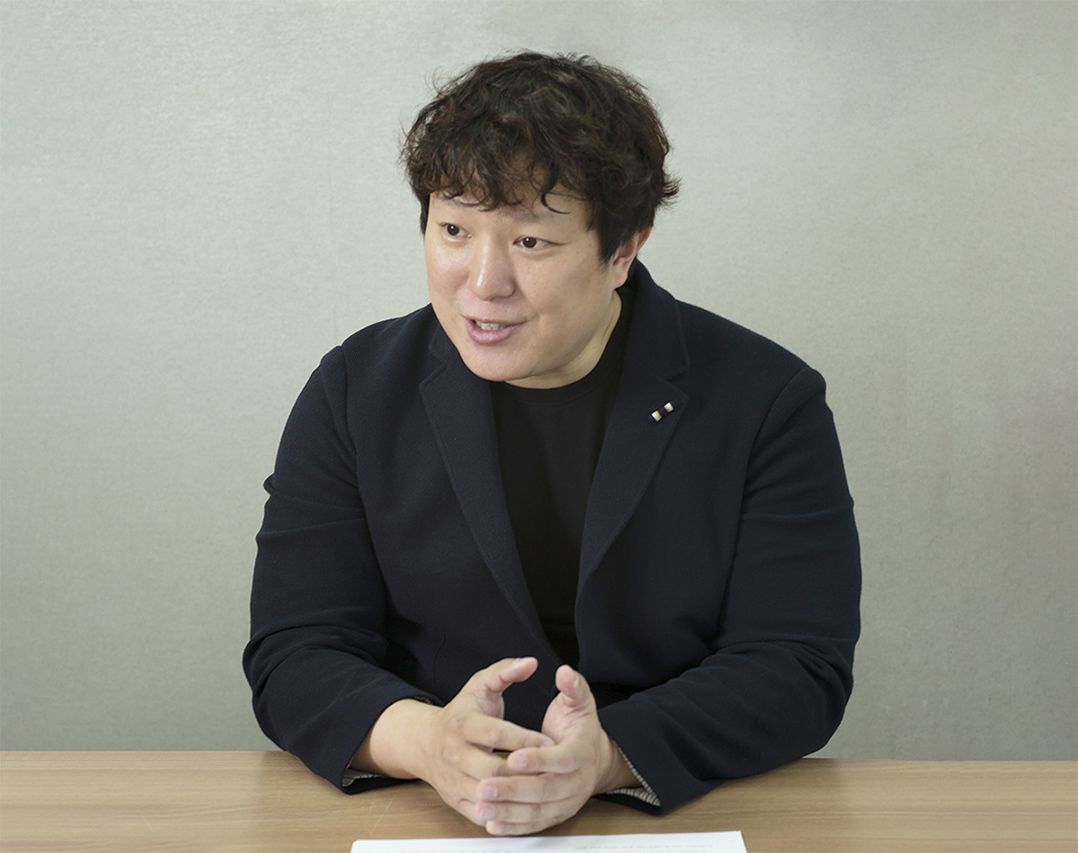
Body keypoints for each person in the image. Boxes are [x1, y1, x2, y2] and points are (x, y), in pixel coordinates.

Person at [243, 51, 860, 837]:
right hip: (429, 813)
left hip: (668, 813)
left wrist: (609, 754)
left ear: (624, 249)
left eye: (531, 241)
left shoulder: (768, 400)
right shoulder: (354, 390)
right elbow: (294, 649)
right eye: (454, 230)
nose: (483, 281)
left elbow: (798, 663)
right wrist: (429, 741)